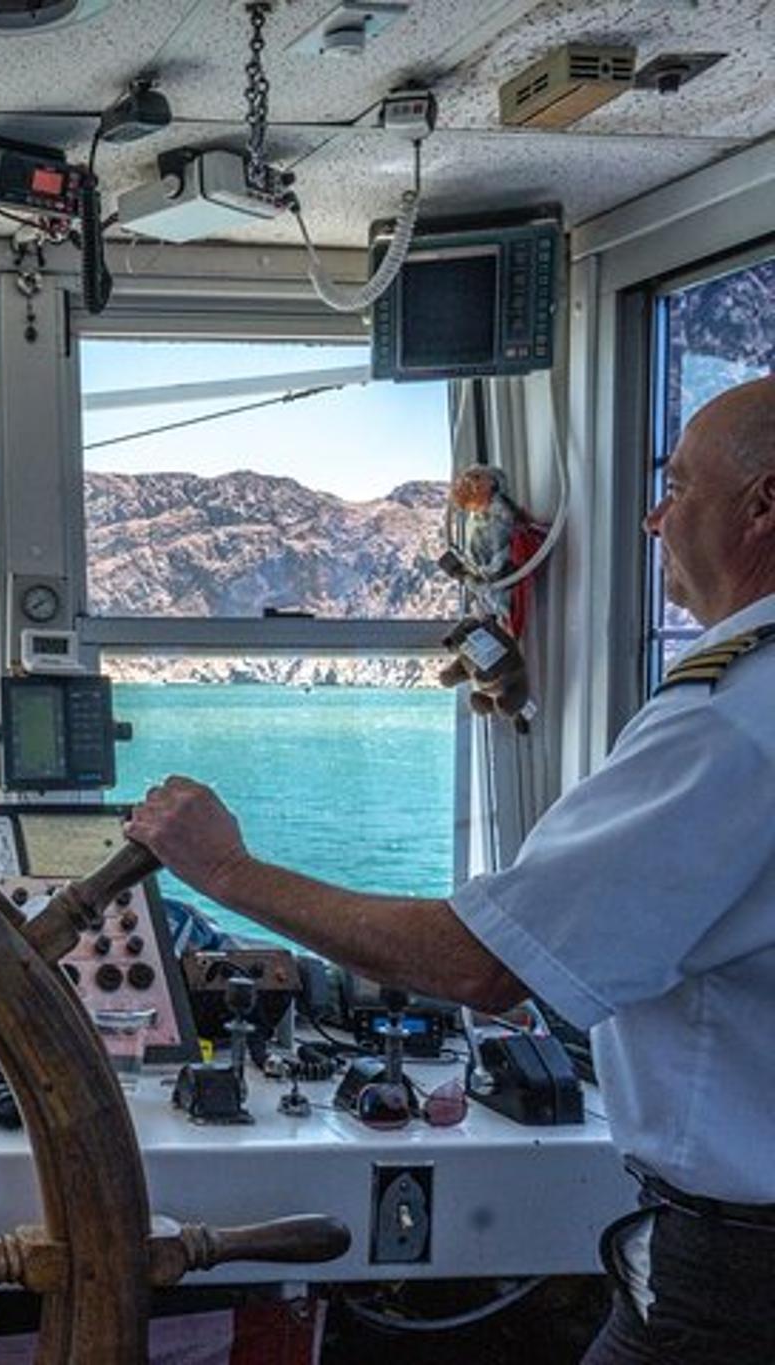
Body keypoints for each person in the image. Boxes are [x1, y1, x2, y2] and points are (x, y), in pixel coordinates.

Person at [124, 373, 775, 1365]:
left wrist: (222, 868)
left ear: (761, 506)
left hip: (736, 1277)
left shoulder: (729, 720)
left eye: (677, 487)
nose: (652, 517)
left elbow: (479, 967)